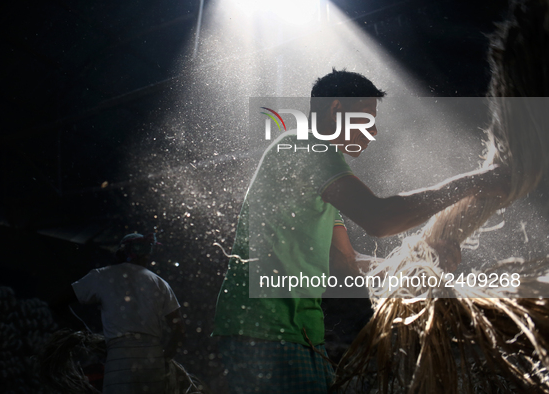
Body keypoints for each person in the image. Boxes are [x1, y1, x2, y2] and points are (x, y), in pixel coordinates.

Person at [213, 69, 509, 393]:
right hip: (264, 329)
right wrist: (473, 182)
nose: (374, 131)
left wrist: (422, 260)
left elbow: (347, 262)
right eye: (367, 119)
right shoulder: (306, 148)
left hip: (295, 332)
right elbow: (379, 219)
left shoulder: (316, 175)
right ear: (337, 110)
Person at [55, 232, 185, 394]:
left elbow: (58, 302)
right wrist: (164, 358)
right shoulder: (160, 283)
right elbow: (179, 329)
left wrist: (85, 334)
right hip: (153, 362)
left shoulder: (102, 276)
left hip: (119, 361)